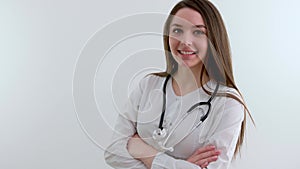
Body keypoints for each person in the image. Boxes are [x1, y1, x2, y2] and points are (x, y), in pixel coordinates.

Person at [104, 0, 253, 168]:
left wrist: (147, 154)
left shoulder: (227, 103)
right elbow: (113, 152)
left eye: (197, 32)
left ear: (213, 39)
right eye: (177, 30)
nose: (185, 41)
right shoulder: (148, 85)